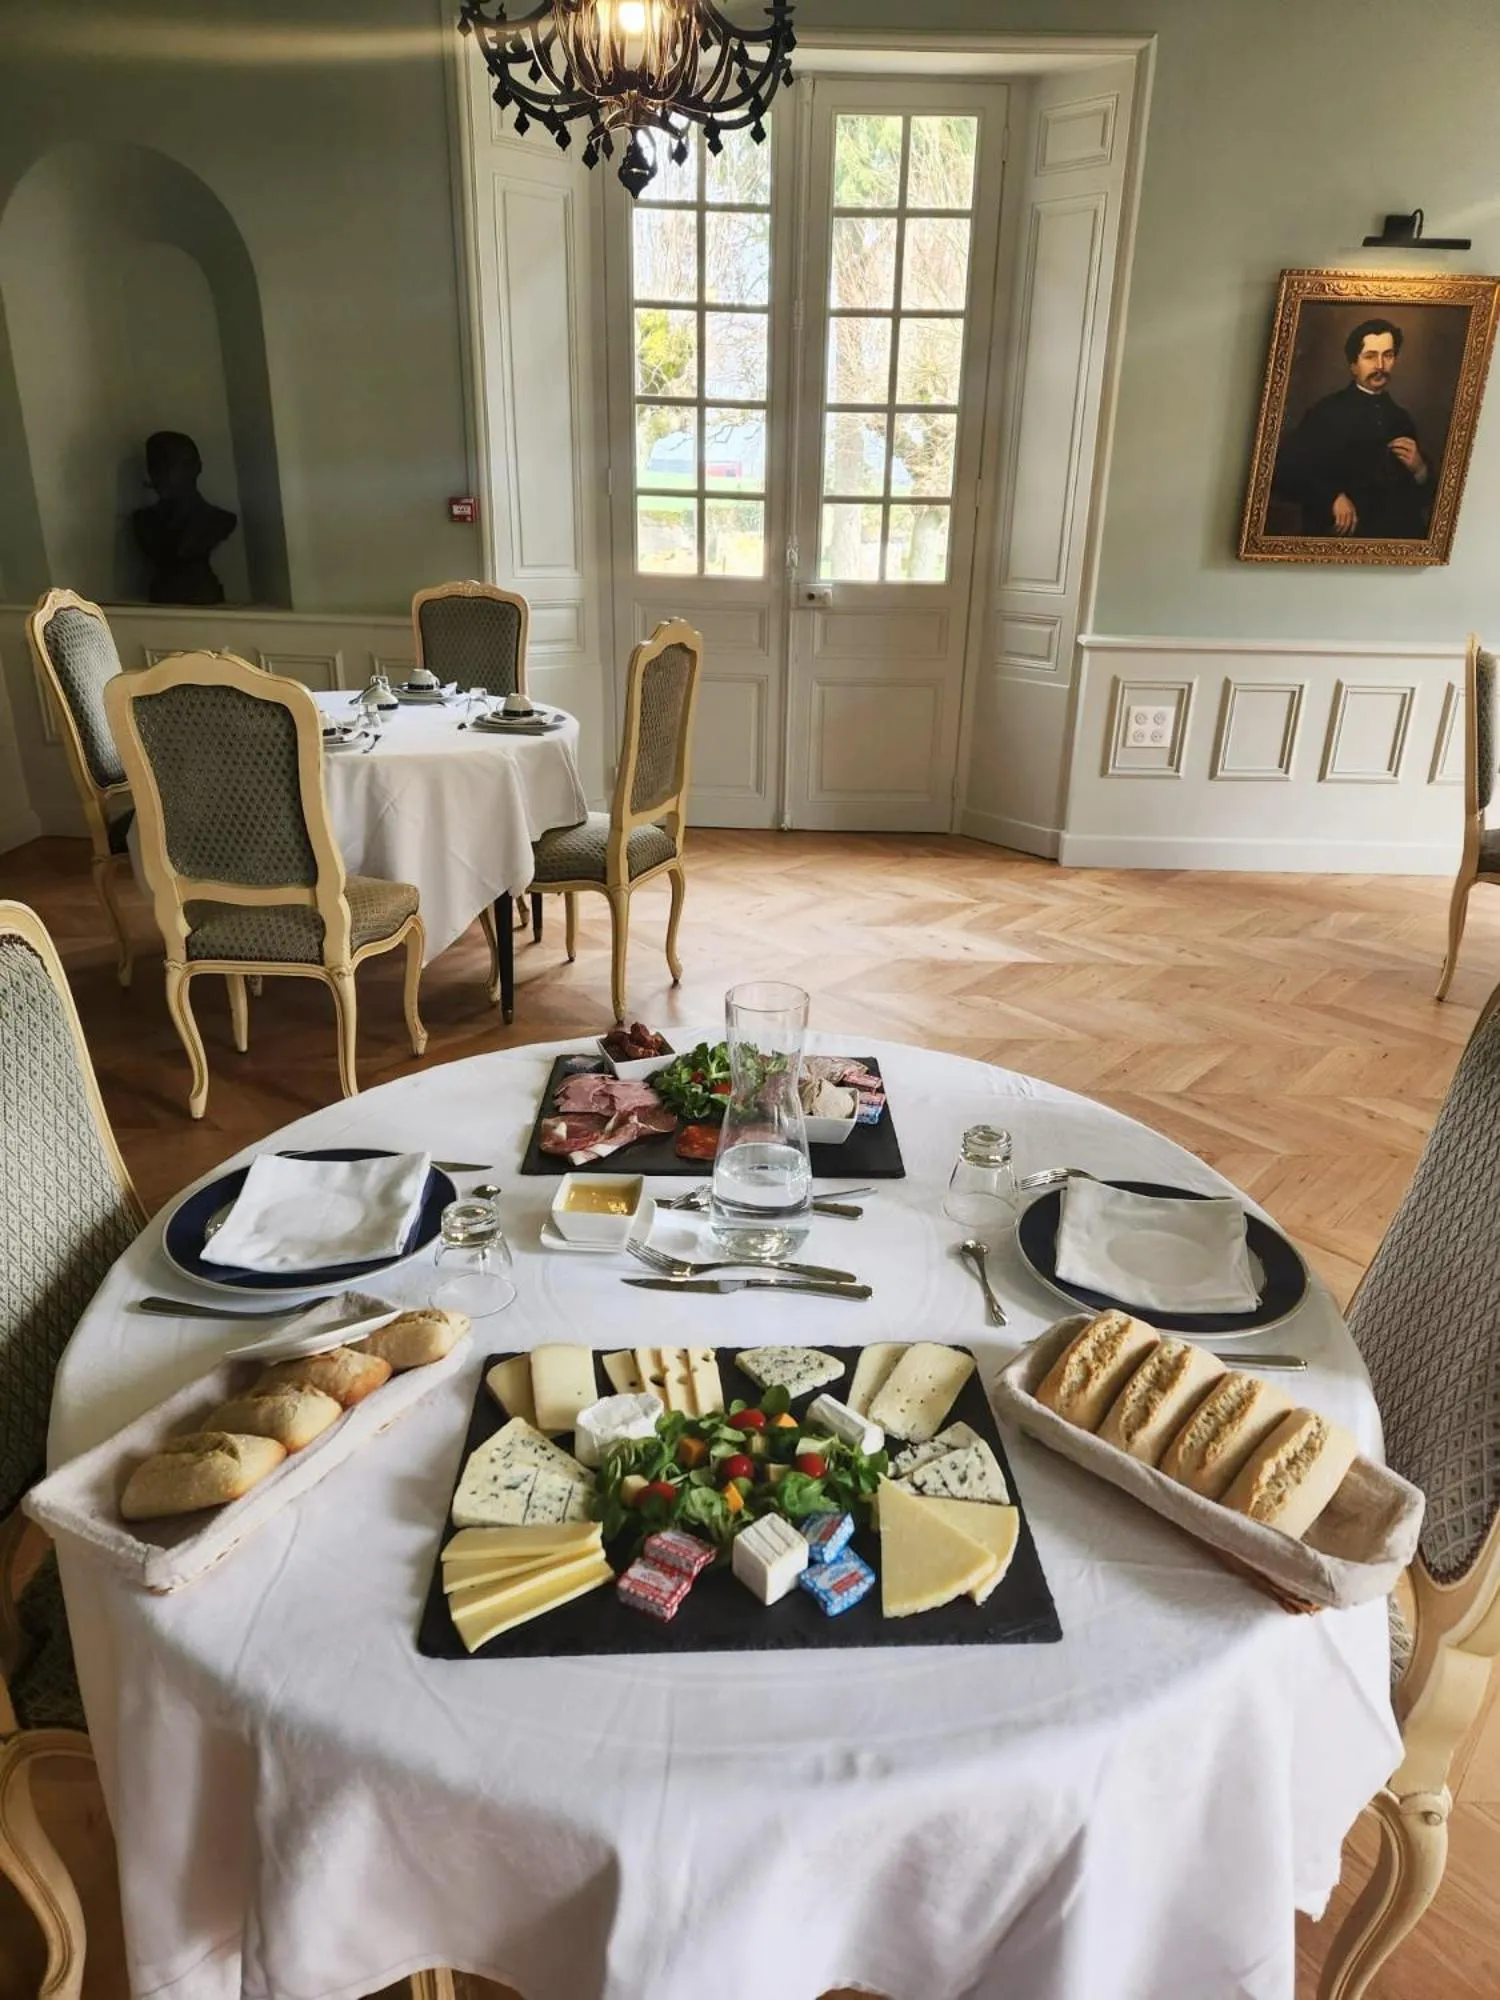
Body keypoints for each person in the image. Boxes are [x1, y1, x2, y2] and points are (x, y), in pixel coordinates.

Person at [1273, 319, 1433, 539]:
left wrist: (1420, 470)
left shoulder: (1401, 418)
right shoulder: (1325, 412)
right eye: (1370, 356)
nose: (1380, 365)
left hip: (1396, 545)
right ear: (1353, 365)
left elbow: (1423, 499)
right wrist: (1331, 497)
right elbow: (1284, 472)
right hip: (1341, 538)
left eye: (1387, 355)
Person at [131, 431, 238, 603]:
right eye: (153, 466)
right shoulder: (144, 521)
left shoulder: (220, 520)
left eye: (168, 465)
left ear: (193, 468)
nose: (158, 475)